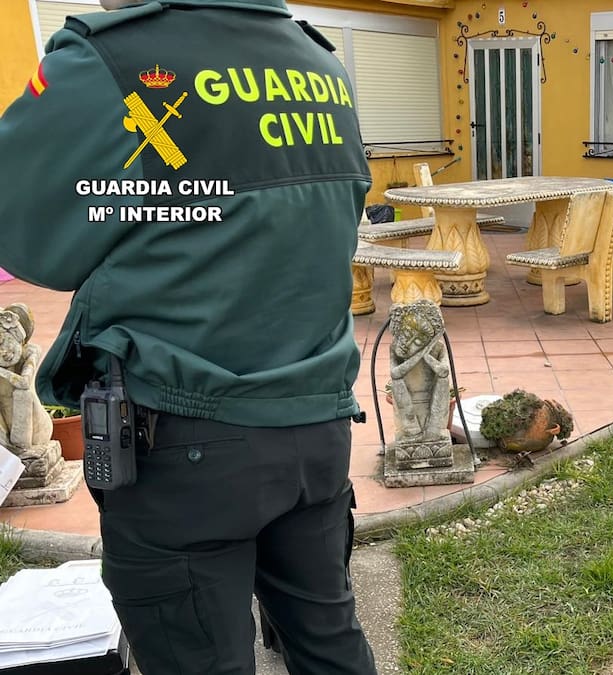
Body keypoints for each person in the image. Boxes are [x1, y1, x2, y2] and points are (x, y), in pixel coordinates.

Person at [0, 1, 377, 673]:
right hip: (313, 425)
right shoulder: (319, 63)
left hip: (184, 438)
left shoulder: (110, 59)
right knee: (328, 641)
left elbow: (29, 240)